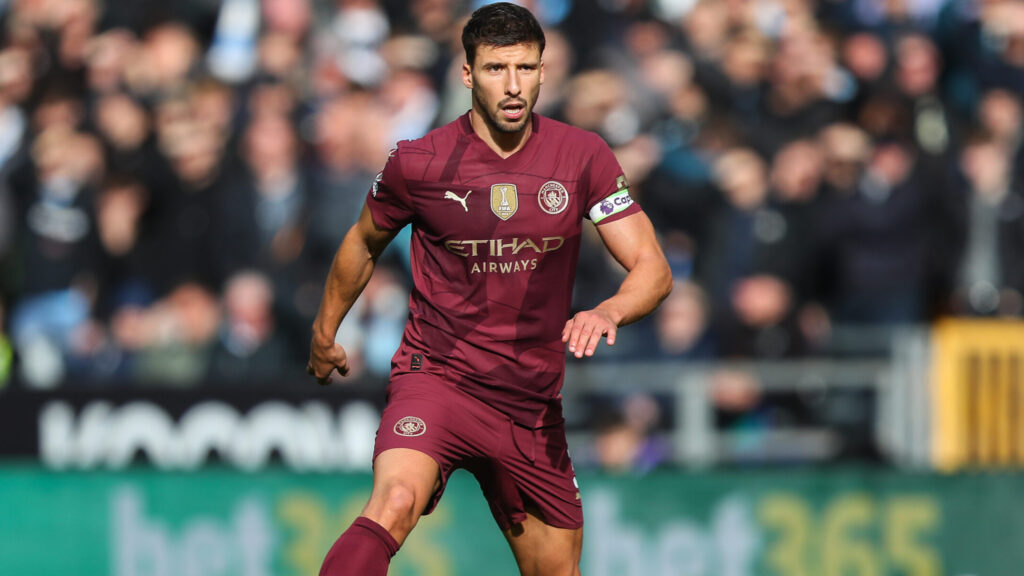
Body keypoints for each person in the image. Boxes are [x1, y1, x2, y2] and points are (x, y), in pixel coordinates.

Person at [306, 4, 672, 575]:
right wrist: (324, 331)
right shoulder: (418, 163)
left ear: (544, 72)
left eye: (525, 68)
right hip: (438, 379)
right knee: (394, 503)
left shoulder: (582, 156)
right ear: (468, 74)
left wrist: (610, 310)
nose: (512, 85)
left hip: (530, 404)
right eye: (497, 69)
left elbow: (652, 265)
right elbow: (363, 242)